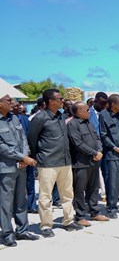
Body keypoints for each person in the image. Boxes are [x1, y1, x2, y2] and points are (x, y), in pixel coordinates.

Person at [27, 89, 82, 237]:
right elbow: (32, 139)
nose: (62, 101)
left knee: (67, 194)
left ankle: (68, 221)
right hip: (47, 162)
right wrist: (37, 157)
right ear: (51, 101)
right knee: (45, 196)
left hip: (65, 161)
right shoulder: (40, 118)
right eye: (60, 99)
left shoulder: (62, 116)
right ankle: (46, 225)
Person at [0, 93, 39, 246]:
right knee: (6, 203)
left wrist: (24, 156)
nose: (12, 102)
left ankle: (22, 230)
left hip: (21, 166)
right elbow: (2, 147)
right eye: (8, 100)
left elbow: (23, 138)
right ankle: (7, 233)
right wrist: (21, 157)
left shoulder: (14, 118)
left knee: (21, 200)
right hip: (6, 168)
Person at [67, 101, 109, 226]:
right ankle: (80, 216)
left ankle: (94, 212)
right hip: (81, 163)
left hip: (94, 161)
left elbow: (97, 138)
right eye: (87, 110)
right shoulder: (72, 124)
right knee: (79, 190)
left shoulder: (88, 122)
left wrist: (99, 151)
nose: (89, 111)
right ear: (79, 112)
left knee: (94, 188)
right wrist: (94, 153)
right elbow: (78, 143)